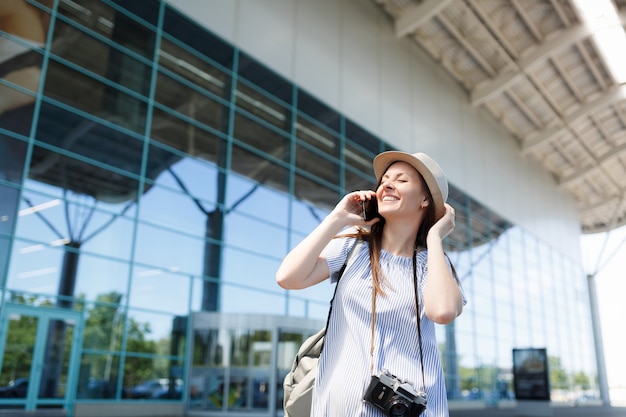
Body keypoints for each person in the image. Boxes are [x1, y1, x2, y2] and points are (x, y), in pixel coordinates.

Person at [276, 150, 466, 417]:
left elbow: (443, 311)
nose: (387, 184)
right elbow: (288, 277)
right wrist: (338, 218)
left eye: (401, 180)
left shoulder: (432, 263)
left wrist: (435, 237)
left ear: (425, 199)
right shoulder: (353, 246)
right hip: (339, 406)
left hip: (409, 407)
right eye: (385, 180)